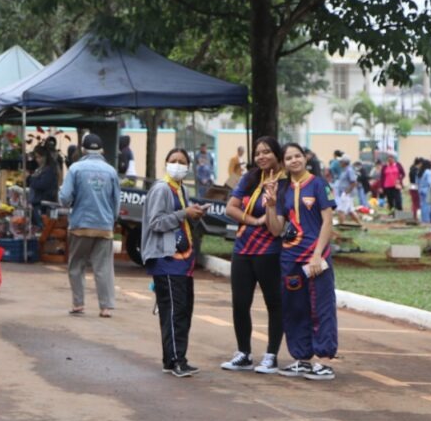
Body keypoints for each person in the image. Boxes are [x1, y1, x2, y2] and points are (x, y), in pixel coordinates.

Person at [266, 143, 338, 380]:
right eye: (288, 158)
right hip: (290, 259)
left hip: (316, 259)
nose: (294, 160)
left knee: (321, 308)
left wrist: (318, 254)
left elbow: (327, 222)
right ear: (283, 163)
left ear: (305, 158)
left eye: (297, 156)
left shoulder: (319, 184)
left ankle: (324, 361)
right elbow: (276, 229)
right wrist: (271, 203)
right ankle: (302, 358)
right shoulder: (284, 188)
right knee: (295, 308)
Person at [221, 136, 286, 375]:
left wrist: (267, 211)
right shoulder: (250, 178)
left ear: (278, 155)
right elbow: (231, 207)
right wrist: (253, 220)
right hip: (243, 250)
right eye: (258, 153)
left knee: (274, 303)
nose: (261, 157)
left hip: (269, 251)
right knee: (240, 303)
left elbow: (276, 225)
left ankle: (271, 355)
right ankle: (244, 353)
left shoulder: (285, 182)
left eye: (267, 152)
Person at [142, 148, 207, 377]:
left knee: (183, 311)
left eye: (182, 162)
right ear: (166, 164)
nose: (178, 165)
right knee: (173, 312)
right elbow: (156, 223)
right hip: (167, 260)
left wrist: (193, 215)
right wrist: (184, 214)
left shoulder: (182, 190)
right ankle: (177, 360)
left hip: (183, 261)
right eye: (173, 161)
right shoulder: (162, 188)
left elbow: (182, 221)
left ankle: (174, 359)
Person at [58, 133, 120, 318]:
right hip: (104, 226)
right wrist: (111, 220)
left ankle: (78, 304)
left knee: (76, 264)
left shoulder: (76, 169)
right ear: (101, 150)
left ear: (83, 149)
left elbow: (64, 198)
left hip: (80, 225)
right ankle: (106, 307)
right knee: (104, 268)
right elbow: (116, 203)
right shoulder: (111, 171)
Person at [27, 144, 59, 229]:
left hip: (43, 204)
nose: (38, 160)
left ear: (45, 157)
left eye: (40, 157)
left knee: (42, 226)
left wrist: (32, 179)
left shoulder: (48, 170)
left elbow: (42, 185)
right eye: (36, 157)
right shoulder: (40, 169)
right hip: (38, 202)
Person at [334, 156, 362, 228]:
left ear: (345, 162)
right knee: (351, 211)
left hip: (346, 194)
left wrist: (346, 192)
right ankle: (360, 225)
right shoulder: (345, 170)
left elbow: (354, 182)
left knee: (341, 210)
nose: (339, 163)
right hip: (345, 193)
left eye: (341, 162)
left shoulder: (349, 170)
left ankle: (341, 225)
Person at [417, 158, 431, 224]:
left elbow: (417, 182)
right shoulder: (428, 172)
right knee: (427, 206)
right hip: (427, 190)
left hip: (420, 190)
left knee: (422, 205)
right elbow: (430, 182)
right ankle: (427, 220)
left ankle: (423, 219)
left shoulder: (420, 172)